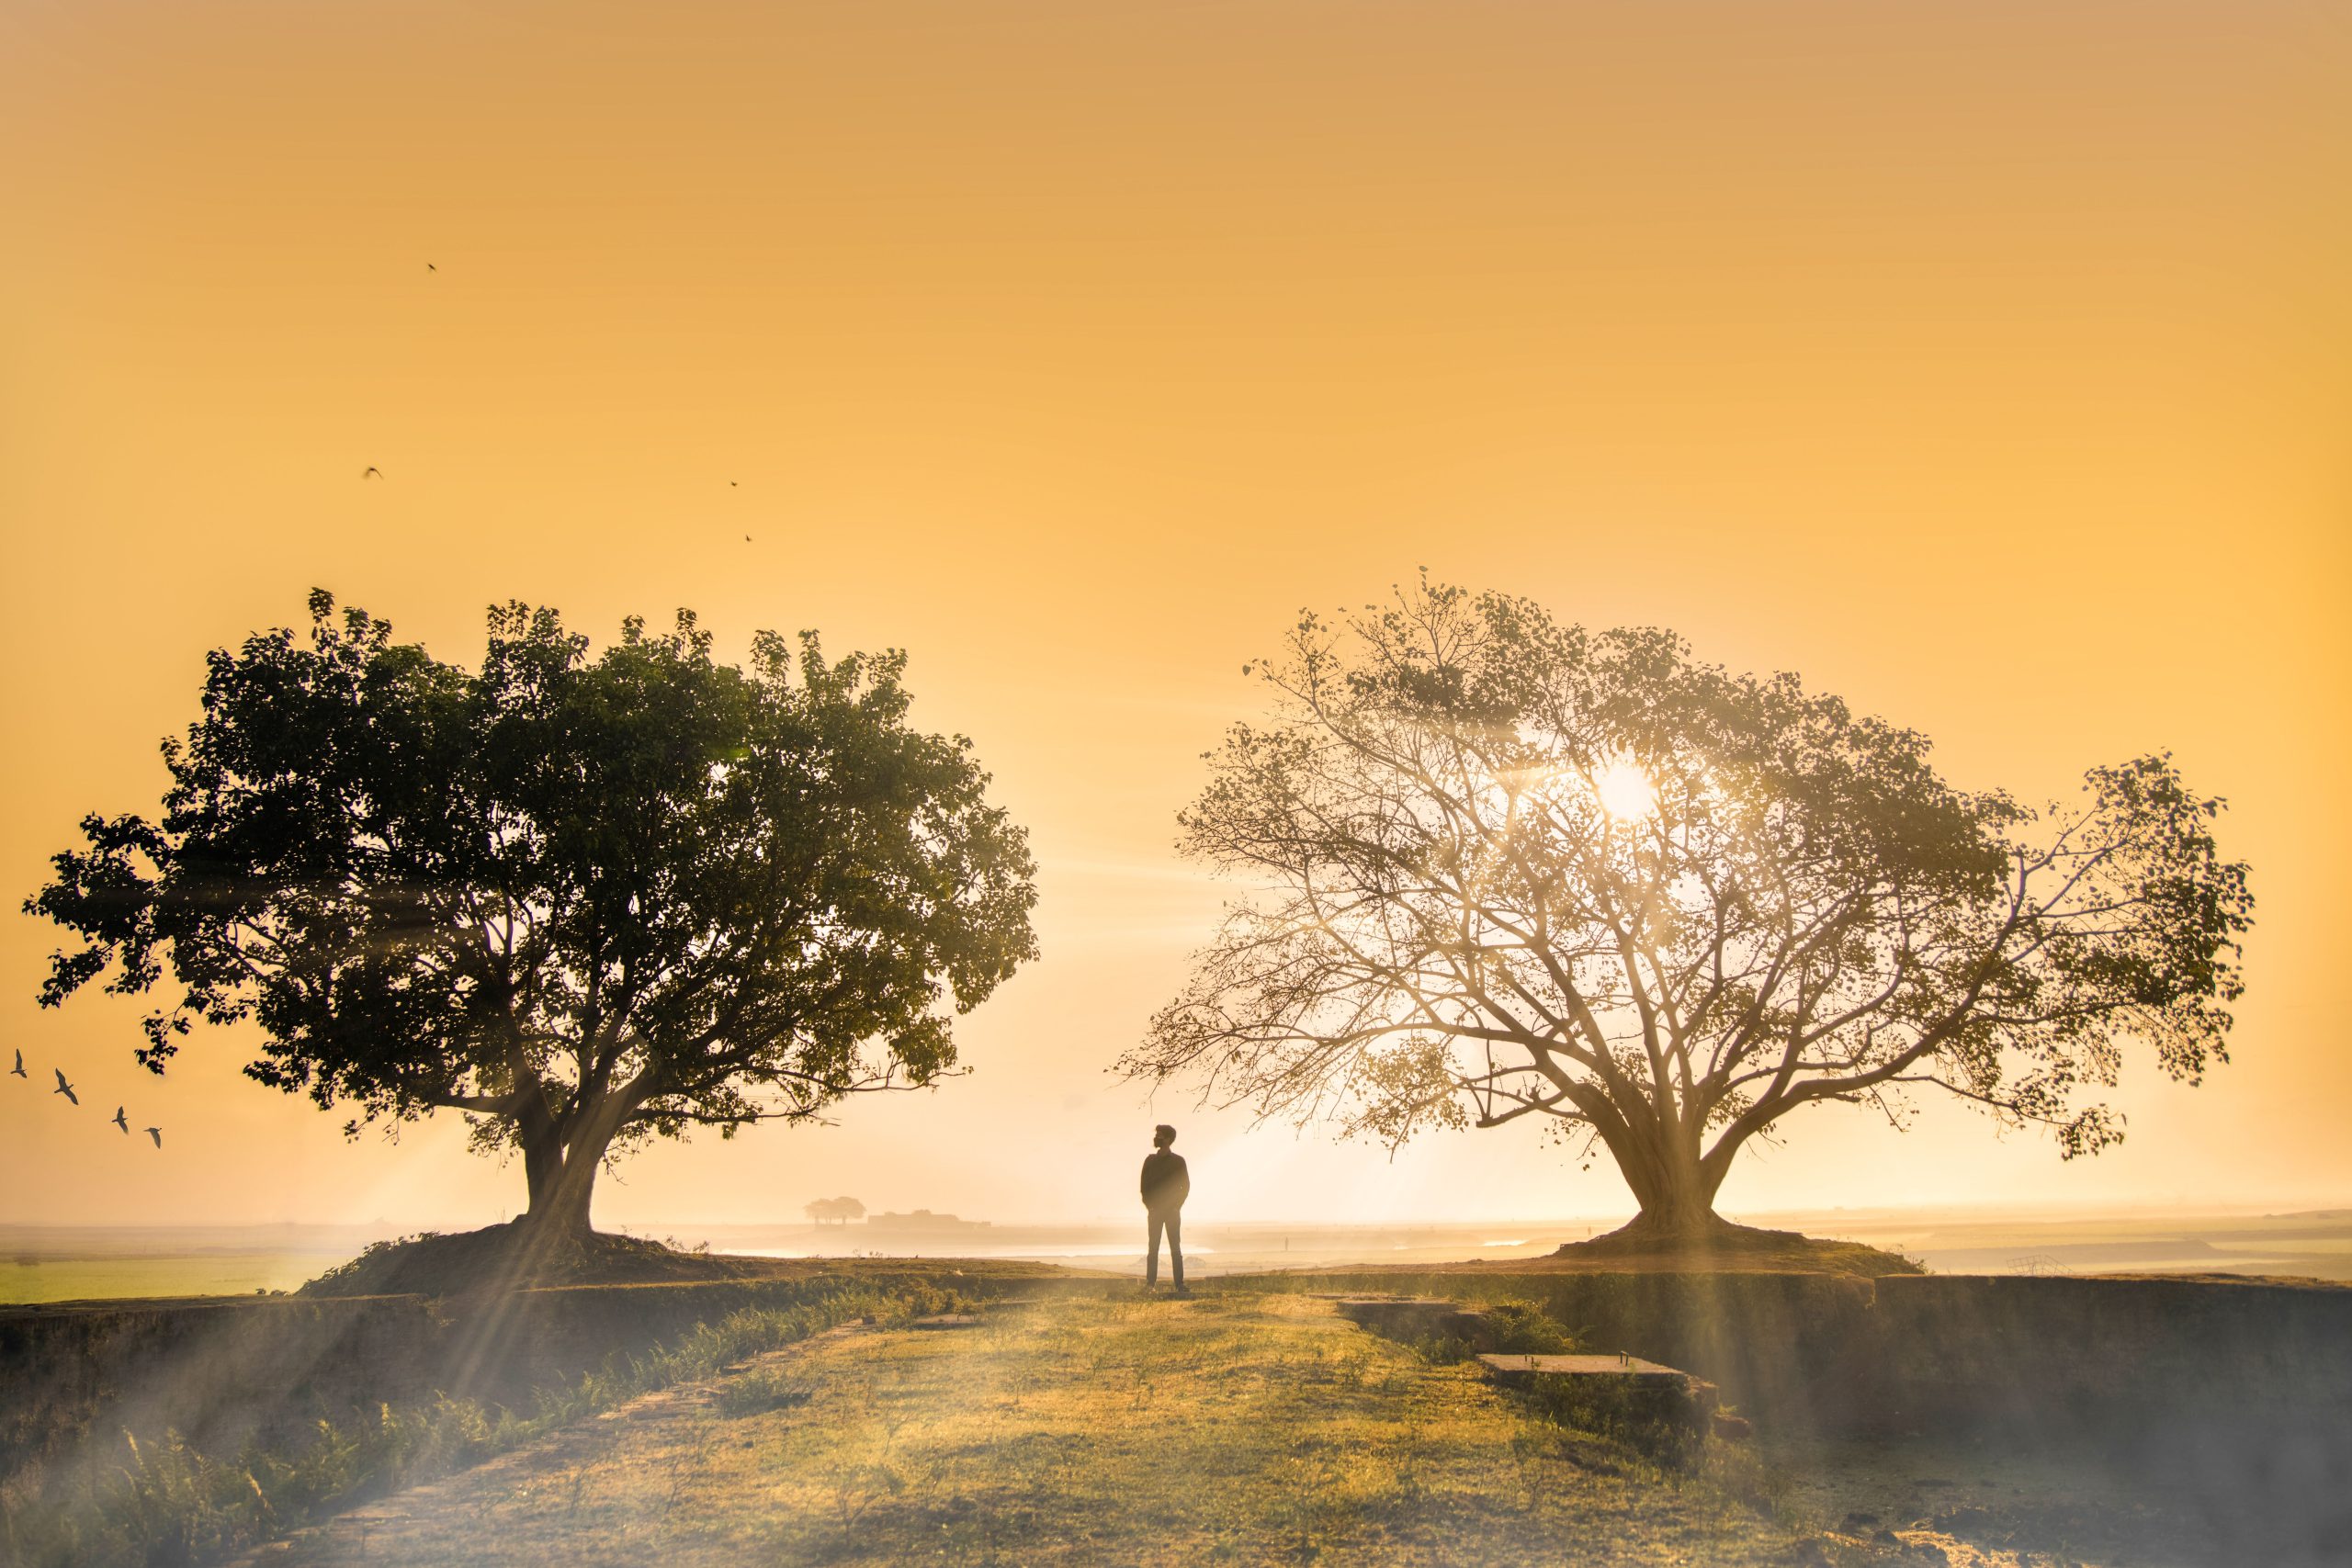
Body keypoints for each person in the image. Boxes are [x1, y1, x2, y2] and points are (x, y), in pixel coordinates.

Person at [1139, 1123, 1190, 1294]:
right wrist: (1150, 1206)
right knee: (1153, 1248)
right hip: (1155, 1211)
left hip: (1172, 1212)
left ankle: (1179, 1285)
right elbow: (1144, 1187)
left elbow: (1186, 1186)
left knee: (1175, 1249)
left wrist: (1177, 1207)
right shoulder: (1150, 1161)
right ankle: (1150, 1285)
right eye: (1157, 1134)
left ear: (1168, 1139)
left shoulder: (1178, 1161)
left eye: (1160, 1135)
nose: (1157, 1137)